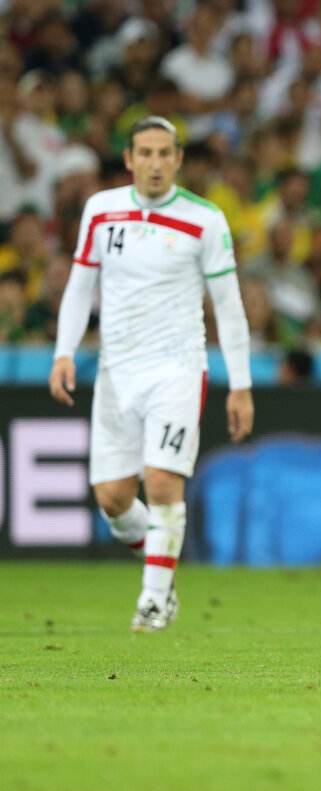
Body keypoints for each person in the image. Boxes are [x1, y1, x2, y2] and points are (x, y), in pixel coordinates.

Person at [48, 116, 254, 632]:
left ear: (179, 159)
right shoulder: (101, 210)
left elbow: (229, 306)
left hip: (177, 367)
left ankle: (154, 600)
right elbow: (80, 285)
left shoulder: (205, 219)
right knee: (114, 501)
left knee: (162, 482)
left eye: (165, 153)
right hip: (117, 371)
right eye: (146, 153)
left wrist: (241, 384)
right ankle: (163, 562)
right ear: (129, 159)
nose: (155, 163)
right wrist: (64, 351)